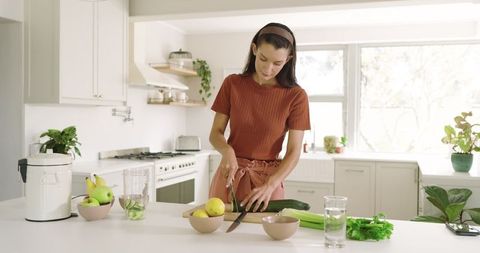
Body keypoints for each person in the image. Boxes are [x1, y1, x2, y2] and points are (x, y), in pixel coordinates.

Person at [209, 22, 310, 213]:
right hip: (229, 175)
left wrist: (271, 185)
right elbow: (215, 133)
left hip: (267, 184)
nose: (268, 68)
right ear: (254, 49)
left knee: (263, 240)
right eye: (263, 58)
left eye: (277, 63)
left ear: (288, 59)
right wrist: (227, 152)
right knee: (218, 238)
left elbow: (294, 152)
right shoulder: (232, 84)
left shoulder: (296, 96)